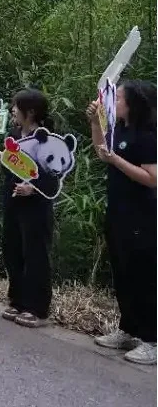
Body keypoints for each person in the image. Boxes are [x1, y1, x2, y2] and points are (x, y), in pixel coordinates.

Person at [87, 79, 157, 365]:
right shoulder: (121, 130)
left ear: (133, 104)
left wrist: (117, 161)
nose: (113, 104)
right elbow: (103, 152)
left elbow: (153, 179)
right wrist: (95, 122)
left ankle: (152, 339)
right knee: (123, 271)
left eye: (118, 100)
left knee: (144, 277)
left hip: (141, 216)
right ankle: (128, 330)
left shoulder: (148, 136)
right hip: (117, 212)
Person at [0, 89, 57, 328]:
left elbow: (55, 173)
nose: (12, 110)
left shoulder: (47, 138)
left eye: (15, 107)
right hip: (12, 200)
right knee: (12, 250)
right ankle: (18, 300)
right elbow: (9, 162)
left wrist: (34, 188)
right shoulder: (14, 134)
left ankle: (38, 308)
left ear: (30, 112)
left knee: (35, 255)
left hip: (37, 205)